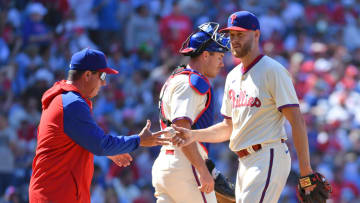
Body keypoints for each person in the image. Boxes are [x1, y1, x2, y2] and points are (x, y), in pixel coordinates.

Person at [172, 11, 317, 202]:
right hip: (244, 162)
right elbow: (227, 128)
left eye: (240, 34)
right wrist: (193, 135)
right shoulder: (232, 77)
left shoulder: (273, 70)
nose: (234, 40)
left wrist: (306, 172)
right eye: (231, 35)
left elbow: (296, 121)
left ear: (256, 35)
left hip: (268, 155)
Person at [28, 48, 181, 202]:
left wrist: (109, 150)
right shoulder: (71, 103)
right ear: (87, 75)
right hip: (55, 194)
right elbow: (100, 145)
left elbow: (82, 140)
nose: (104, 82)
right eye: (102, 75)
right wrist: (139, 140)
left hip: (56, 191)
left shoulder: (66, 99)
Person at [152, 22, 229, 203]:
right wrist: (202, 170)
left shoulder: (177, 78)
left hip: (167, 164)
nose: (222, 63)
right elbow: (181, 127)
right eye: (219, 56)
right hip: (186, 167)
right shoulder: (193, 83)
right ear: (205, 55)